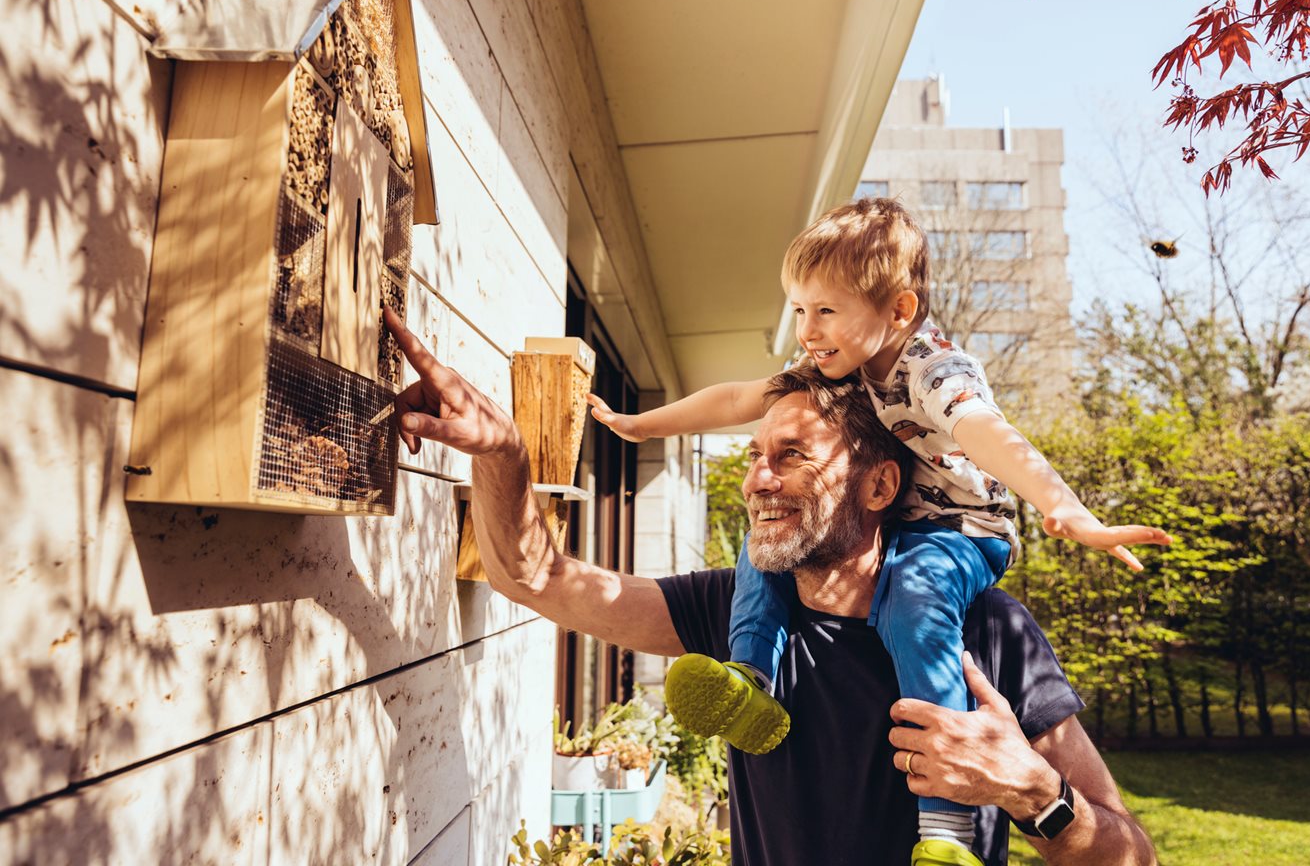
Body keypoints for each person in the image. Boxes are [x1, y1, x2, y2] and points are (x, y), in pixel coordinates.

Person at [381, 307, 1156, 866]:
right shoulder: (736, 608)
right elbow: (538, 576)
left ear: (881, 485)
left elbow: (1134, 859)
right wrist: (502, 453)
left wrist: (1035, 794)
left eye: (790, 458)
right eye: (753, 454)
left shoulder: (989, 630)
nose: (755, 480)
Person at [586, 197, 1171, 865]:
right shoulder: (834, 369)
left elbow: (986, 433)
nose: (807, 329)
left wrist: (1061, 503)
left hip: (958, 532)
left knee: (913, 603)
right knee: (767, 550)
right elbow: (736, 398)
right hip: (900, 525)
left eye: (825, 310)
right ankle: (750, 682)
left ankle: (945, 834)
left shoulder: (931, 369)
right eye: (800, 310)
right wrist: (639, 426)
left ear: (898, 309)